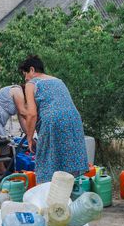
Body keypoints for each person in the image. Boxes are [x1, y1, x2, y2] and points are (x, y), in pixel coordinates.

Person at [20, 55, 88, 184]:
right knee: (68, 160)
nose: (25, 78)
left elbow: (32, 114)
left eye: (25, 74)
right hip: (74, 119)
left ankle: (47, 195)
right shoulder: (58, 80)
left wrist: (29, 138)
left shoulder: (32, 84)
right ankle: (67, 194)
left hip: (53, 120)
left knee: (46, 158)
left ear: (32, 70)